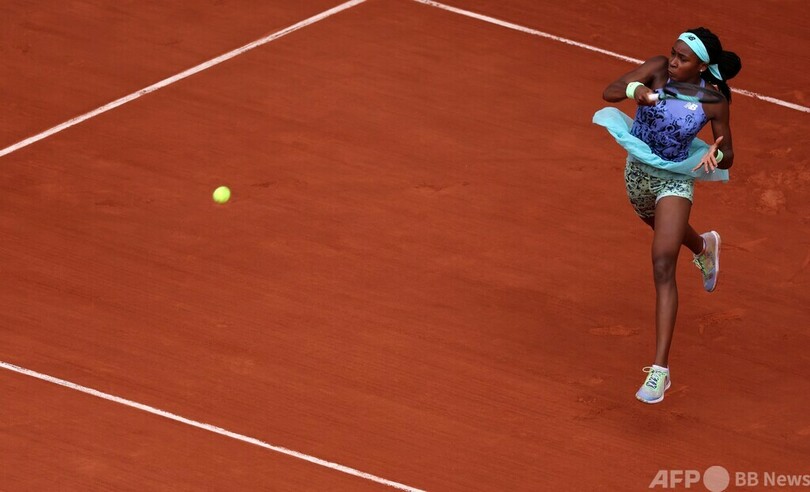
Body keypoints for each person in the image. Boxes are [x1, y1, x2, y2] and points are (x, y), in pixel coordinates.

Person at [600, 28, 742, 404]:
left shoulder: (713, 101)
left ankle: (659, 371)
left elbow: (729, 156)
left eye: (683, 58)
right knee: (668, 234)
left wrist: (716, 153)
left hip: (675, 180)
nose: (675, 62)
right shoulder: (658, 70)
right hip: (637, 177)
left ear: (702, 66)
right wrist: (636, 90)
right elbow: (610, 92)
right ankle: (703, 247)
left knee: (663, 261)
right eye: (674, 54)